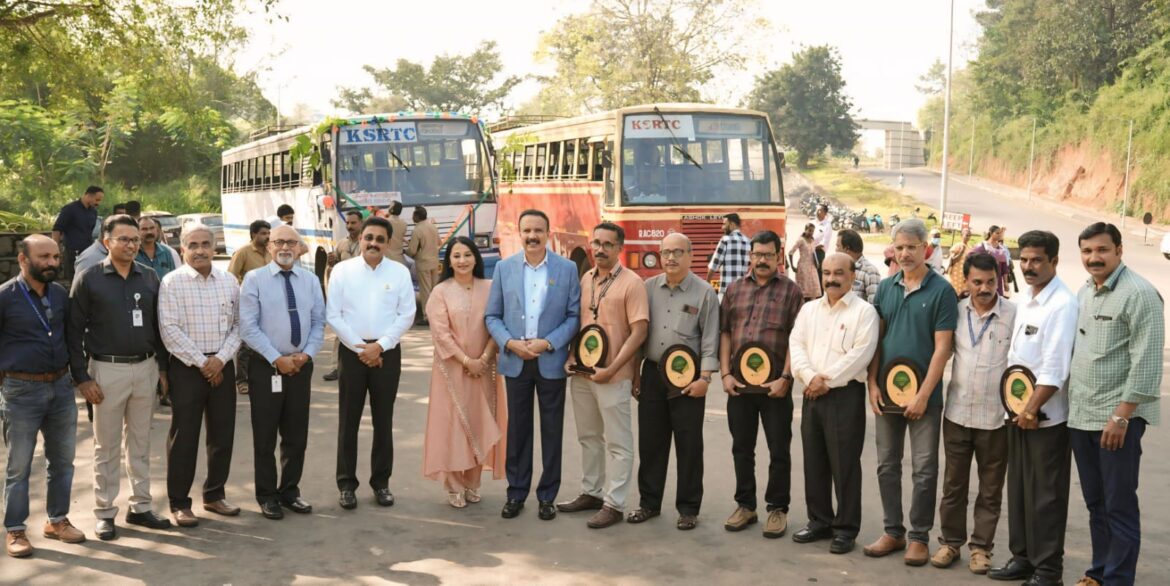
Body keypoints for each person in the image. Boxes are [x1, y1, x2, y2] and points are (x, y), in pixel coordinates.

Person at [1067, 222, 1162, 586]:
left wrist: (1121, 417)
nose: (1094, 258)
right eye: (1088, 251)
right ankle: (1098, 572)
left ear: (1119, 250)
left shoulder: (1139, 293)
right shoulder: (1085, 291)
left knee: (1119, 505)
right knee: (1096, 504)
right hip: (1083, 417)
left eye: (1102, 250)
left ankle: (1118, 579)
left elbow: (1147, 361)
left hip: (1117, 420)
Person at [68, 214, 173, 540]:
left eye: (134, 240)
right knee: (106, 446)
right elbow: (73, 331)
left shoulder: (150, 277)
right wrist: (82, 377)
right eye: (123, 239)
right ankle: (104, 512)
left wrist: (164, 370)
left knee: (141, 443)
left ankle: (140, 506)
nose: (130, 244)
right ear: (106, 241)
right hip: (106, 371)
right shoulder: (89, 278)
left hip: (145, 368)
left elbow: (159, 326)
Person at [980, 231, 1075, 585]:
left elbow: (1055, 369)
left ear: (1054, 261)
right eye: (1025, 259)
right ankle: (1022, 558)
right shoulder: (1027, 298)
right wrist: (1018, 411)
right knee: (1019, 490)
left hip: (1044, 419)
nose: (1029, 266)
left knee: (1045, 497)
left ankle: (1049, 569)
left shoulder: (1062, 305)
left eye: (1037, 260)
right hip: (1018, 414)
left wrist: (1032, 410)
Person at [863, 218, 957, 565]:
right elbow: (877, 341)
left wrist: (922, 396)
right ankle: (893, 531)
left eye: (911, 247)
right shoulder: (886, 288)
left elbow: (942, 349)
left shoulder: (942, 291)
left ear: (925, 249)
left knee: (924, 468)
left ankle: (919, 536)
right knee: (887, 465)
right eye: (899, 247)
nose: (904, 254)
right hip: (886, 395)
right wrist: (871, 384)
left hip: (925, 400)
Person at [485, 209, 581, 521]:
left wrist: (547, 342)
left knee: (552, 432)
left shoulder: (567, 270)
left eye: (538, 230)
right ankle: (516, 493)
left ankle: (547, 496)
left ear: (548, 232)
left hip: (549, 360)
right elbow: (492, 316)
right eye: (527, 231)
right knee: (518, 431)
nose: (532, 236)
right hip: (516, 360)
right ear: (520, 233)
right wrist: (510, 343)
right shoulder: (504, 268)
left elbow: (573, 316)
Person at [557, 223, 648, 529]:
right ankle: (591, 492)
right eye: (596, 243)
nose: (600, 249)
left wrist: (614, 368)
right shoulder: (586, 278)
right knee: (588, 437)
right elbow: (579, 323)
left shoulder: (632, 283)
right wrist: (571, 356)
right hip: (583, 374)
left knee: (618, 443)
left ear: (619, 248)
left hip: (614, 375)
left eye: (608, 244)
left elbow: (639, 332)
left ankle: (614, 503)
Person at [788, 253, 879, 555]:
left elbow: (860, 355)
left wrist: (824, 381)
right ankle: (820, 521)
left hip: (844, 396)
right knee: (814, 461)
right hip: (812, 394)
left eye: (839, 273)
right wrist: (811, 377)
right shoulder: (809, 310)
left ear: (853, 275)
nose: (831, 279)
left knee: (844, 465)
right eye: (826, 273)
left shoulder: (864, 313)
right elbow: (796, 344)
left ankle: (845, 529)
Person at [627, 233, 718, 531]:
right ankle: (648, 504)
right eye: (665, 252)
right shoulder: (648, 288)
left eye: (678, 252)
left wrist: (705, 378)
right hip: (653, 373)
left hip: (688, 378)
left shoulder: (704, 293)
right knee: (651, 443)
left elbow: (710, 340)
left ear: (690, 255)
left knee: (689, 444)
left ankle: (689, 508)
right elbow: (639, 334)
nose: (671, 258)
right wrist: (636, 373)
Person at [932, 253, 1016, 573]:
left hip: (996, 418)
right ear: (966, 281)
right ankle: (950, 544)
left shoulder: (1013, 314)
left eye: (990, 282)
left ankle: (981, 548)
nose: (984, 288)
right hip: (957, 413)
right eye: (977, 282)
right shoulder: (953, 313)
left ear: (999, 280)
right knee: (953, 485)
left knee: (990, 489)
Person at [2, 235, 85, 557]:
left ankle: (57, 521)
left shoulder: (61, 294)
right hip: (21, 390)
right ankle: (16, 530)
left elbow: (72, 338)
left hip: (62, 388)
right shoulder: (5, 297)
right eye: (44, 257)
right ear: (23, 260)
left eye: (55, 256)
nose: (52, 262)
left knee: (62, 462)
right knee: (19, 466)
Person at [718, 230, 803, 538]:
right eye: (757, 255)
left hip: (775, 388)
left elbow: (798, 339)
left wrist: (786, 378)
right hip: (739, 387)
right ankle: (745, 505)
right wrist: (726, 373)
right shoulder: (734, 290)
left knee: (778, 449)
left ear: (779, 257)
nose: (762, 260)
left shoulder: (791, 292)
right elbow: (725, 332)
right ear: (750, 256)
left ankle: (777, 509)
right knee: (742, 448)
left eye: (768, 255)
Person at [326, 216, 415, 510]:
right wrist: (360, 347)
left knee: (383, 420)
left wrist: (380, 346)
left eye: (379, 239)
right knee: (348, 421)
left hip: (387, 354)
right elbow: (334, 315)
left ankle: (381, 483)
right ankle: (346, 485)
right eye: (369, 237)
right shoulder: (342, 271)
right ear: (360, 239)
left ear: (388, 243)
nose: (373, 243)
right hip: (352, 354)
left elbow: (406, 315)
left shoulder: (400, 273)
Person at [157, 224, 243, 527]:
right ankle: (179, 503)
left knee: (222, 434)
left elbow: (238, 326)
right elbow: (170, 330)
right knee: (185, 437)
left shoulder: (229, 281)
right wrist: (203, 363)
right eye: (192, 245)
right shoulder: (172, 282)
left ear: (215, 245)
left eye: (205, 243)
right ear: (182, 249)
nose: (200, 250)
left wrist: (220, 360)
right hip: (187, 368)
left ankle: (214, 495)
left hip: (222, 365)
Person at [239, 225, 326, 520]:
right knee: (265, 435)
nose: (285, 247)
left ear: (300, 246)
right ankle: (267, 495)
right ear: (269, 246)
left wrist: (307, 354)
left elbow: (318, 322)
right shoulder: (254, 279)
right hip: (267, 367)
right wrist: (277, 358)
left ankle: (290, 491)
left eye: (292, 242)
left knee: (296, 433)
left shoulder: (310, 280)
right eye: (279, 242)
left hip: (301, 366)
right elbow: (248, 327)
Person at [422, 237, 505, 508]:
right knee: (455, 425)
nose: (462, 261)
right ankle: (454, 485)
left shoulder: (490, 288)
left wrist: (483, 358)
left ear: (476, 258)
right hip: (452, 369)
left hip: (485, 369)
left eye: (467, 255)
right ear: (449, 261)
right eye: (456, 256)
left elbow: (497, 324)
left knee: (480, 423)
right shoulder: (440, 292)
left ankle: (472, 482)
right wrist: (466, 360)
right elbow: (441, 334)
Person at [227, 220, 272, 395]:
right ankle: (242, 380)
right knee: (246, 343)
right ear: (253, 235)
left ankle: (263, 376)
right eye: (263, 233)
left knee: (266, 338)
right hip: (250, 304)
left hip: (269, 304)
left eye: (268, 233)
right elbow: (231, 277)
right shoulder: (243, 252)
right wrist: (247, 287)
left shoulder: (271, 251)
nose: (267, 236)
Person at [322, 211, 363, 382]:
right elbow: (332, 271)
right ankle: (336, 367)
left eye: (354, 223)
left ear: (361, 223)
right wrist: (332, 265)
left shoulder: (367, 244)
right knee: (341, 332)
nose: (350, 226)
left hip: (362, 296)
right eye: (348, 223)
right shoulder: (341, 245)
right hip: (344, 296)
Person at [53, 185, 103, 280]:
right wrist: (56, 250)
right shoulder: (70, 209)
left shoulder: (93, 211)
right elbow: (57, 229)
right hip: (72, 252)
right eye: (97, 200)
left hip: (88, 251)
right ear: (88, 195)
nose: (98, 203)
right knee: (74, 280)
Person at [406, 205, 441, 325]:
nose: (412, 217)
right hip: (434, 262)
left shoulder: (417, 230)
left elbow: (413, 250)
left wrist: (406, 251)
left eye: (413, 215)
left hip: (423, 263)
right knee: (435, 289)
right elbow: (439, 243)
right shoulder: (433, 227)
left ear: (417, 216)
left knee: (425, 291)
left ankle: (427, 317)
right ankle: (437, 314)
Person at [707, 213, 751, 290]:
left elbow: (714, 265)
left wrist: (707, 283)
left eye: (724, 224)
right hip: (743, 290)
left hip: (727, 291)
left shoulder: (726, 240)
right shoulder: (748, 241)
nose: (722, 227)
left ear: (732, 224)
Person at [836, 229, 881, 303]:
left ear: (847, 248)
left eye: (838, 246)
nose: (836, 250)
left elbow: (874, 305)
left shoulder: (870, 271)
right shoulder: (838, 269)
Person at [136, 216, 182, 281]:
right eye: (144, 229)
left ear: (156, 230)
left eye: (152, 228)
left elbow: (174, 278)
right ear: (137, 232)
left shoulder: (166, 252)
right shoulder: (133, 252)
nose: (149, 232)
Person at [972, 225, 1011, 297]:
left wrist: (1005, 282)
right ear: (990, 233)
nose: (999, 235)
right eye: (997, 233)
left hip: (997, 280)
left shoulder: (1001, 248)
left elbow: (1004, 267)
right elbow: (971, 260)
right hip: (984, 279)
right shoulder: (982, 246)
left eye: (1000, 233)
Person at [788, 222, 821, 300]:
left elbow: (813, 252)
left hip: (812, 268)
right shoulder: (801, 240)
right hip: (803, 268)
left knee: (813, 291)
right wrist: (792, 266)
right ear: (805, 230)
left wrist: (817, 262)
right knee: (804, 292)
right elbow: (790, 252)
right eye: (809, 230)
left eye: (812, 231)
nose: (811, 233)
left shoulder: (812, 240)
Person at [946, 227, 972, 295]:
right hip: (956, 275)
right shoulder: (957, 246)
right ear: (961, 236)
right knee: (954, 292)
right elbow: (952, 261)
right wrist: (961, 252)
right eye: (966, 235)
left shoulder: (969, 247)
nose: (968, 237)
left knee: (962, 294)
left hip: (964, 275)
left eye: (969, 235)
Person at [812, 204, 833, 277]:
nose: (817, 212)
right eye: (816, 210)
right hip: (809, 251)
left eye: (820, 210)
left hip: (819, 253)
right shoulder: (812, 223)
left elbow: (824, 242)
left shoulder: (827, 225)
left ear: (825, 213)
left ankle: (820, 288)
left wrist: (813, 248)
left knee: (818, 275)